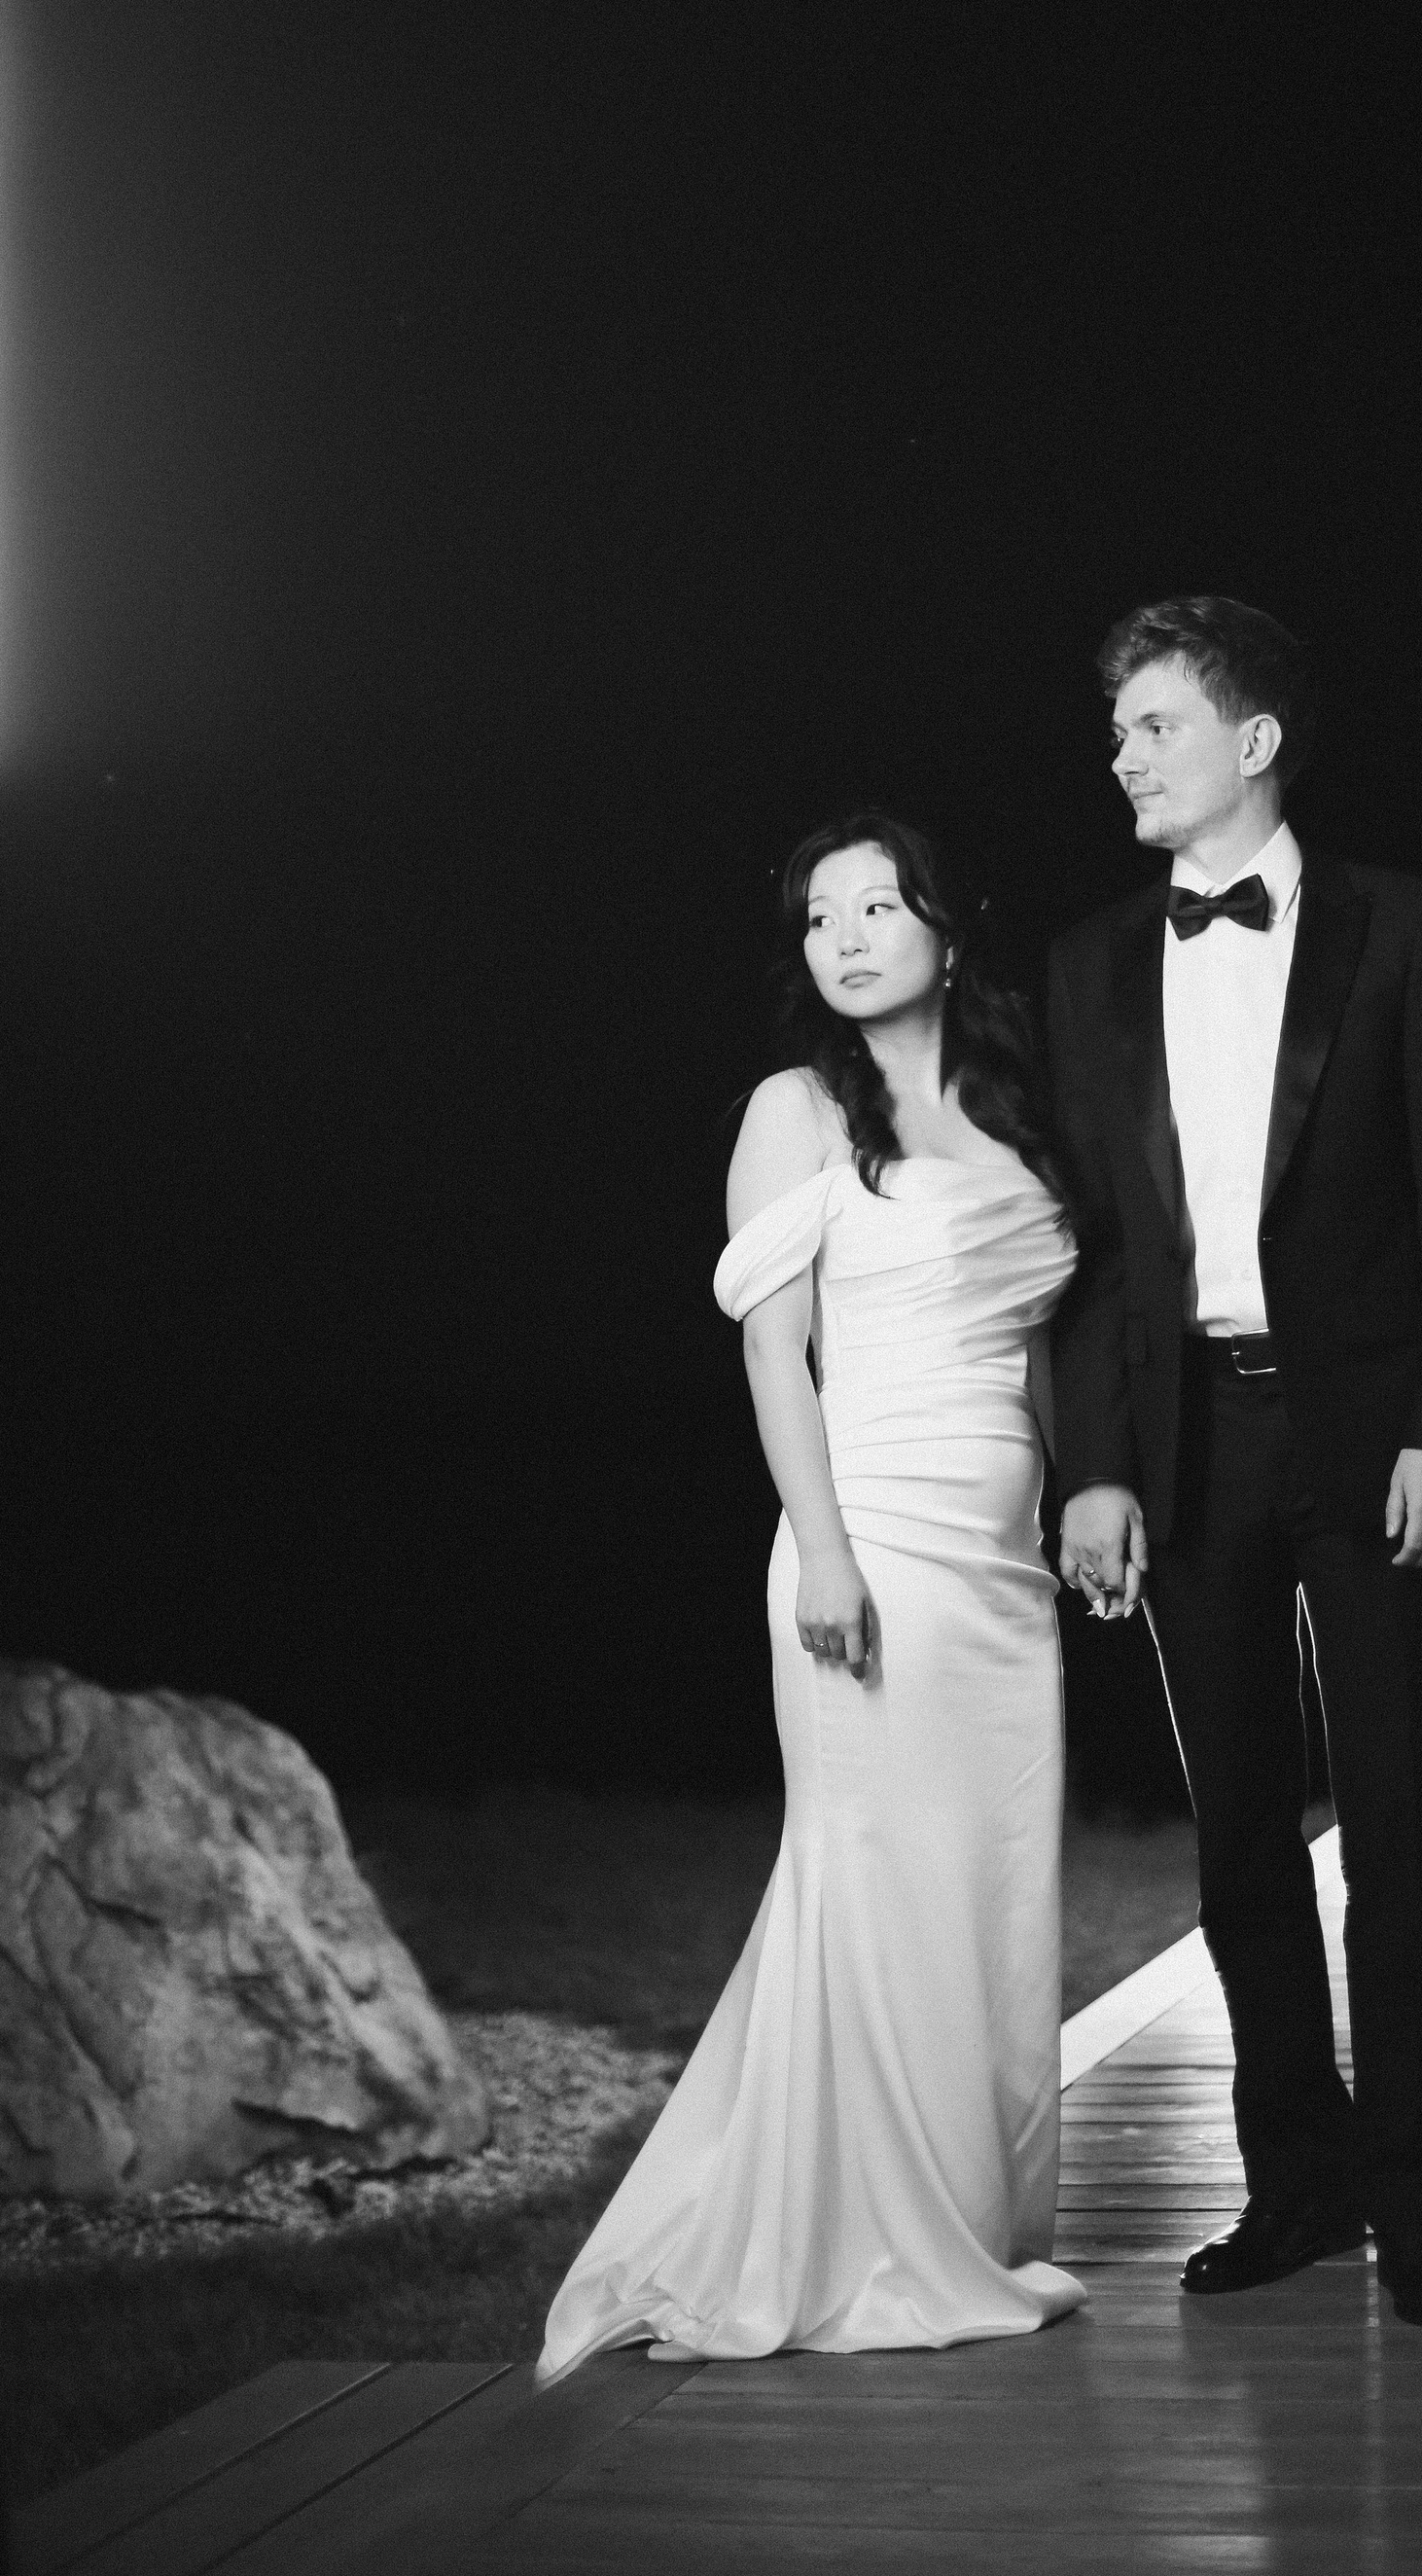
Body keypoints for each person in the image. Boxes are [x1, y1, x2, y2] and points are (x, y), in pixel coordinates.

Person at [538, 812, 1085, 2377]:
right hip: (872, 1539)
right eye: (818, 916)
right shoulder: (796, 1110)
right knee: (870, 1876)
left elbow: (1041, 1350)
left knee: (992, 1896)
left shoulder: (1019, 1114)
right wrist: (825, 1550)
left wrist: (1068, 1506)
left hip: (1002, 1572)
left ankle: (971, 2220)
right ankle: (857, 2244)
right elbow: (775, 1356)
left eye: (878, 907)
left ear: (950, 934)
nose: (844, 937)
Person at [1048, 597, 1422, 2329]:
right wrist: (1094, 1466)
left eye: (1154, 725)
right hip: (1187, 1441)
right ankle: (1295, 2185)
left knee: (1401, 1823)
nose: (1122, 754)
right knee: (1241, 1834)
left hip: (1376, 1436)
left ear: (1252, 742)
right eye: (1119, 728)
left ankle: (1413, 2201)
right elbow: (1095, 1252)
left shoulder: (1403, 927)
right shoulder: (1094, 963)